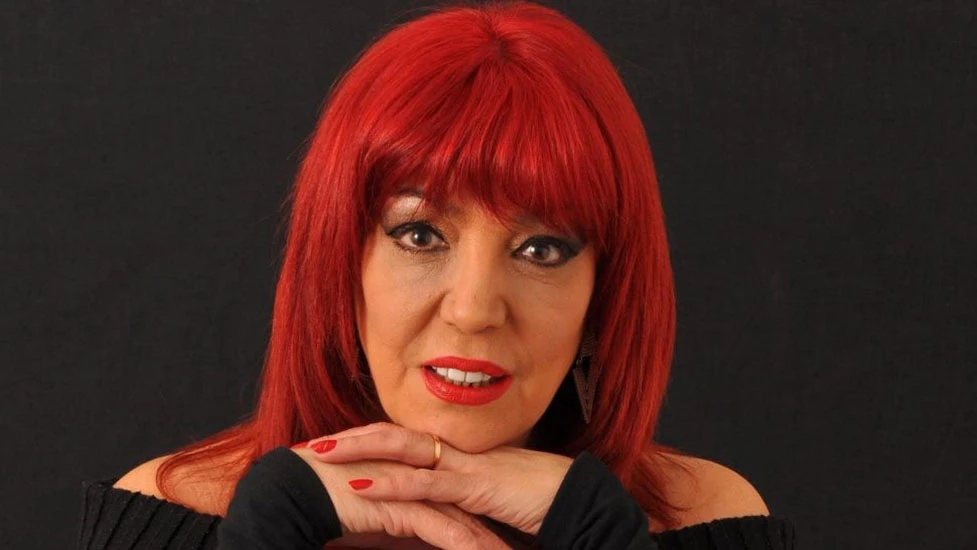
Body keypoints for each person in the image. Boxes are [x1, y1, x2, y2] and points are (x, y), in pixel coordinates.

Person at [78, 1, 796, 548]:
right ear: (342, 264)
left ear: (601, 296)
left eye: (541, 250)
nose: (475, 309)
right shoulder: (171, 516)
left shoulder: (704, 519)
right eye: (420, 235)